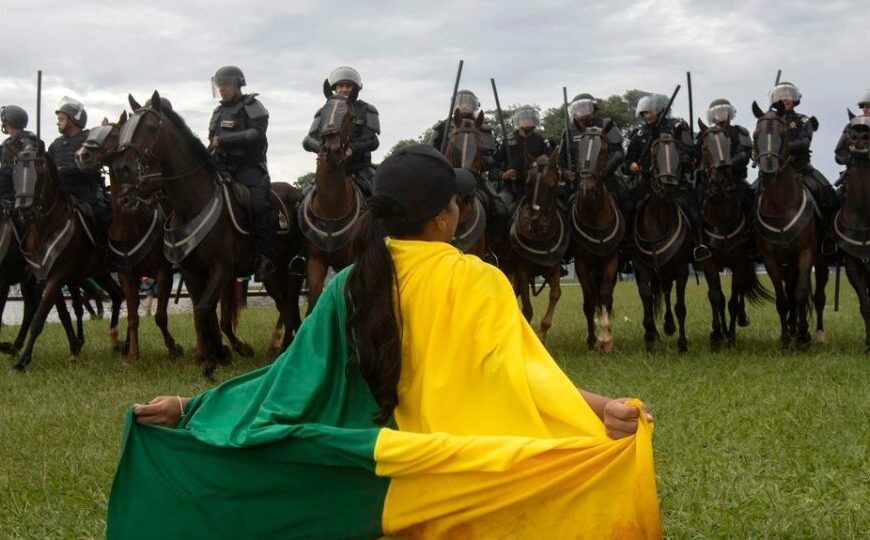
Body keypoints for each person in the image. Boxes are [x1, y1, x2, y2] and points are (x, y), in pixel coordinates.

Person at [109, 144, 660, 539]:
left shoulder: (349, 281)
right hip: (455, 482)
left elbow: (285, 381)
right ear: (446, 216)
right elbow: (524, 377)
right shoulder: (478, 279)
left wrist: (192, 408)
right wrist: (603, 410)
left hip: (381, 476)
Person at [624, 94, 711, 261]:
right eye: (644, 113)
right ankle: (627, 245)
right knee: (628, 204)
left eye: (650, 112)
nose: (647, 116)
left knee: (693, 206)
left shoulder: (677, 127)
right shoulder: (639, 133)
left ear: (660, 111)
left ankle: (699, 244)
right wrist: (632, 165)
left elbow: (690, 151)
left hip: (675, 181)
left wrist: (684, 158)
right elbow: (629, 160)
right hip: (648, 181)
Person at [208, 65, 275, 280]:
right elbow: (212, 140)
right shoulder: (218, 112)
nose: (222, 90)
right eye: (219, 86)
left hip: (248, 168)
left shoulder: (252, 105)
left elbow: (256, 134)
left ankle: (264, 257)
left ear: (237, 84)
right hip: (221, 166)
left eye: (226, 85)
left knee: (258, 203)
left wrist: (225, 140)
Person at [766, 81, 839, 255]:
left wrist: (781, 147)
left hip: (801, 168)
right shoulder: (770, 121)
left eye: (788, 95)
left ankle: (830, 237)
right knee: (753, 195)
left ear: (794, 99)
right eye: (781, 96)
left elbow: (804, 142)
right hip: (776, 171)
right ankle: (754, 239)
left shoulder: (803, 119)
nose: (785, 99)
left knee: (828, 194)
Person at [302, 66, 380, 196]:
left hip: (359, 169)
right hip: (329, 168)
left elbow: (373, 141)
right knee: (303, 197)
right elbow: (308, 141)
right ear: (334, 88)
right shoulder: (324, 111)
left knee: (381, 196)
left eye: (348, 86)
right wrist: (324, 149)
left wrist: (352, 148)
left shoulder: (367, 109)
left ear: (355, 88)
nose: (344, 89)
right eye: (341, 86)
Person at [428, 89, 506, 218]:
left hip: (475, 177)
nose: (464, 106)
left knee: (499, 208)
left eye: (468, 103)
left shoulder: (483, 128)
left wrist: (483, 161)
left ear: (474, 106)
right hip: (445, 175)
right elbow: (429, 152)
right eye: (461, 103)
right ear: (454, 105)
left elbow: (490, 158)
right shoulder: (442, 126)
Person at [47, 97, 111, 243]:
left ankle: (107, 252)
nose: (58, 122)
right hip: (61, 193)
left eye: (61, 118)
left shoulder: (90, 138)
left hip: (85, 192)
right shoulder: (55, 145)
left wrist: (103, 136)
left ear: (73, 119)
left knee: (104, 215)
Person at [697, 98, 755, 216]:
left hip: (735, 177)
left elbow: (744, 154)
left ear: (729, 113)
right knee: (695, 200)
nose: (720, 114)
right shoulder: (705, 134)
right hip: (712, 178)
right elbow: (699, 156)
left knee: (751, 200)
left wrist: (727, 164)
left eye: (723, 111)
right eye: (717, 112)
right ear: (712, 115)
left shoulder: (739, 131)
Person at [492, 105, 549, 210]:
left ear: (535, 121)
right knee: (498, 209)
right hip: (511, 189)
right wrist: (503, 175)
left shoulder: (542, 142)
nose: (527, 121)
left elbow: (551, 167)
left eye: (530, 118)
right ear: (518, 121)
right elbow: (492, 168)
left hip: (536, 188)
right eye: (524, 118)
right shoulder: (506, 141)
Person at [0, 105, 39, 203]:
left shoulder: (28, 139)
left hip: (20, 188)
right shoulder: (7, 142)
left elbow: (28, 155)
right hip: (5, 185)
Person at [834, 90, 870, 183]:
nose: (869, 110)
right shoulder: (852, 126)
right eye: (867, 107)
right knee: (832, 195)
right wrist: (852, 158)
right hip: (856, 172)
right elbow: (839, 153)